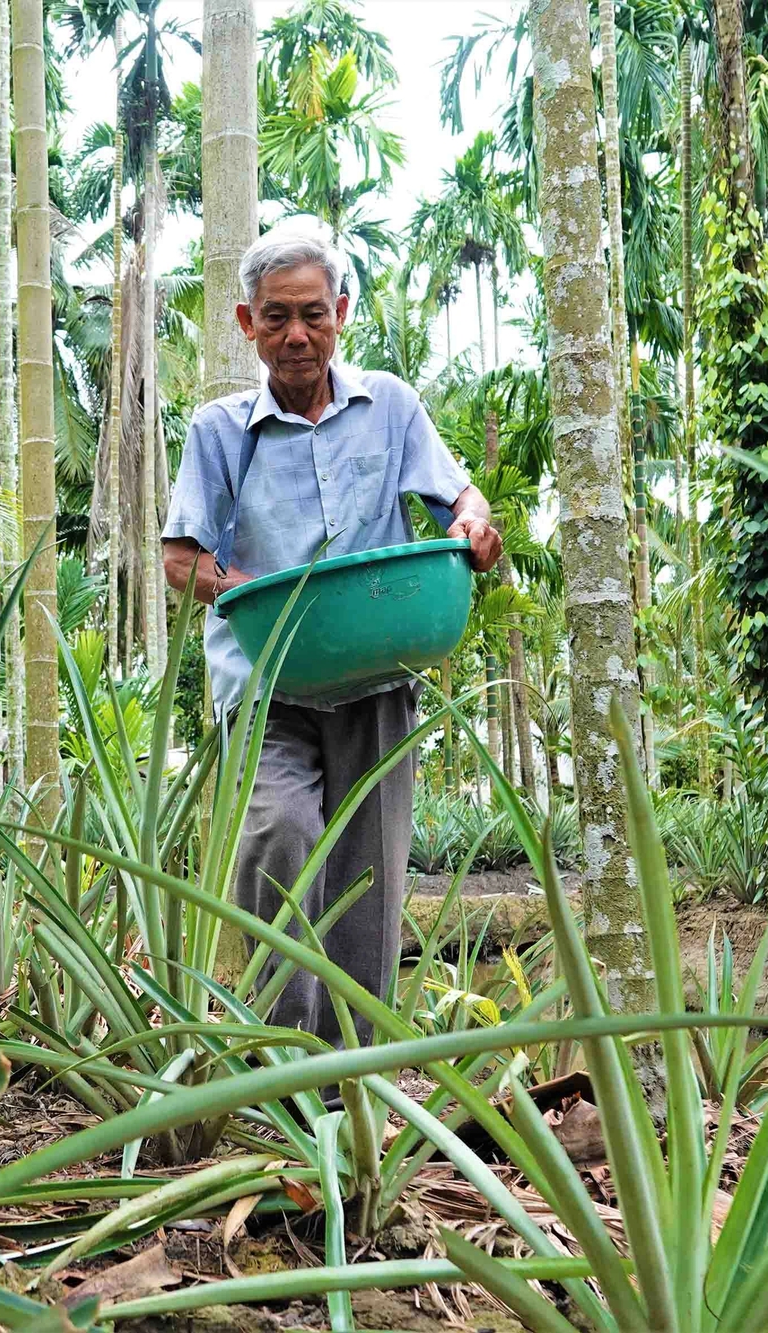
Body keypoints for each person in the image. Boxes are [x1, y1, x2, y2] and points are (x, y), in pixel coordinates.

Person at [161, 227, 502, 1046]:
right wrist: (245, 593)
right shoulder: (219, 432)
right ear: (246, 323)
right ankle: (286, 1060)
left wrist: (476, 523)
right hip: (267, 683)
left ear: (342, 312)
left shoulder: (391, 406)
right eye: (275, 317)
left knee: (367, 882)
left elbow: (461, 501)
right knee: (280, 830)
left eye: (313, 314)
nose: (296, 335)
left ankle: (356, 1086)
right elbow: (180, 558)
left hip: (376, 675)